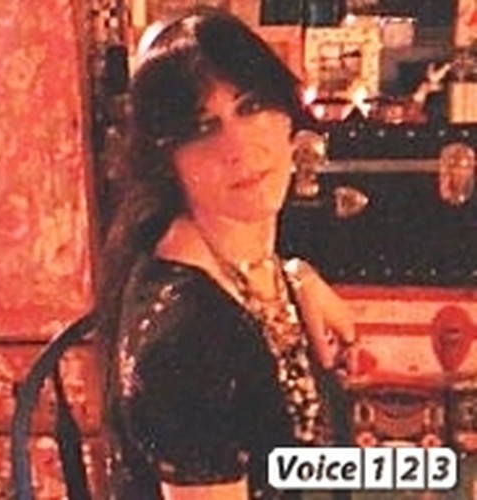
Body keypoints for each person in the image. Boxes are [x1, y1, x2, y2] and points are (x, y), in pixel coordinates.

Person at [105, 7, 355, 499]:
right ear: (166, 159)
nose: (238, 146)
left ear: (287, 111)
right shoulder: (188, 341)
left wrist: (297, 276)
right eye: (202, 128)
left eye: (250, 106)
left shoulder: (233, 257)